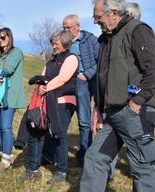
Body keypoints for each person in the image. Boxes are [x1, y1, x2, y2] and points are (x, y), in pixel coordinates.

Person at [80, 0, 155, 191]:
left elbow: (153, 68)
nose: (95, 21)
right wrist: (98, 107)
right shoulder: (106, 38)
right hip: (113, 113)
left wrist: (137, 102)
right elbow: (102, 76)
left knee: (143, 166)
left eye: (98, 17)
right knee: (95, 158)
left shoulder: (138, 30)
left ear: (113, 13)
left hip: (135, 111)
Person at [18, 30, 78, 185]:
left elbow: (63, 78)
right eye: (53, 42)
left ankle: (61, 171)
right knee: (35, 132)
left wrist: (46, 87)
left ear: (64, 42)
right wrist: (39, 89)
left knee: (58, 136)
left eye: (56, 42)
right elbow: (41, 79)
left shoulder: (71, 58)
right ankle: (33, 169)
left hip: (64, 101)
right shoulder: (50, 62)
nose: (53, 45)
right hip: (45, 101)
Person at [41, 14, 99, 167]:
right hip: (62, 83)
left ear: (77, 26)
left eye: (68, 27)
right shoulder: (62, 42)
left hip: (82, 82)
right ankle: (50, 153)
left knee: (84, 121)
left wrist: (86, 75)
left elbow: (100, 62)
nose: (65, 30)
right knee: (56, 119)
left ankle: (84, 154)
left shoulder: (90, 40)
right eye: (64, 27)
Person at [0, 27, 27, 173]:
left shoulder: (16, 52)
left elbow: (9, 69)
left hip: (9, 95)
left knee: (6, 127)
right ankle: (5, 153)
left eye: (3, 37)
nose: (0, 40)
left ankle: (5, 160)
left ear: (9, 37)